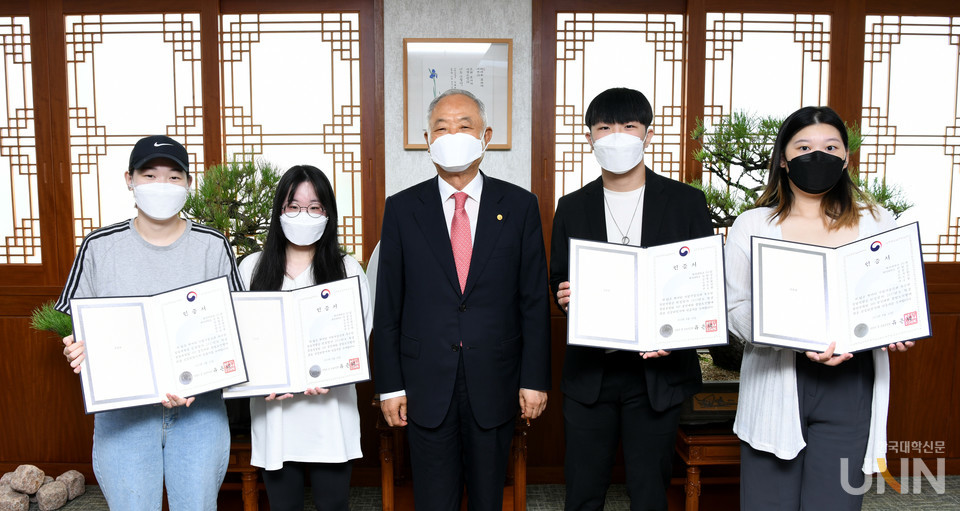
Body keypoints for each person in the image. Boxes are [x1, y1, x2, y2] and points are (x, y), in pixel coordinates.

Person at [725, 106, 913, 510]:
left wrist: (897, 324)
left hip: (851, 379)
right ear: (784, 159)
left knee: (835, 503)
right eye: (804, 146)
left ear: (846, 157)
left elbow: (894, 292)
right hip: (775, 379)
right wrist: (784, 334)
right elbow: (735, 306)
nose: (819, 155)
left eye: (831, 146)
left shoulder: (875, 221)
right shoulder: (752, 224)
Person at [373, 88, 551, 511]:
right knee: (434, 500)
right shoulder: (401, 208)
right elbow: (388, 305)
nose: (453, 134)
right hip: (424, 383)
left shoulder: (521, 206)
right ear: (427, 138)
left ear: (486, 135)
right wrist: (390, 386)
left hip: (495, 380)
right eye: (441, 127)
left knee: (489, 498)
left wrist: (535, 378)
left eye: (464, 125)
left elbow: (532, 302)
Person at [56, 135, 243, 510]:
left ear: (189, 184)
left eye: (175, 177)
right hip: (123, 417)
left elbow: (237, 326)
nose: (163, 185)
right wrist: (74, 343)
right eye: (150, 174)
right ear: (130, 180)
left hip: (199, 413)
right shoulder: (99, 246)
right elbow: (71, 319)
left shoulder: (213, 245)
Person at [550, 87, 712, 511]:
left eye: (628, 126)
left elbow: (703, 285)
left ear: (648, 134)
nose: (616, 136)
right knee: (583, 492)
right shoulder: (571, 206)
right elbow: (558, 278)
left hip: (657, 374)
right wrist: (564, 294)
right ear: (589, 138)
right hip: (591, 373)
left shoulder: (686, 202)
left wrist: (676, 335)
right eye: (605, 127)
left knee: (649, 492)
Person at [237, 165, 370, 511]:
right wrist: (256, 379)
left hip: (331, 415)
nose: (303, 215)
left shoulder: (347, 269)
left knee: (333, 505)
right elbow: (239, 340)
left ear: (327, 214)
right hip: (274, 416)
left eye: (314, 207)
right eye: (293, 206)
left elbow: (363, 335)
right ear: (279, 211)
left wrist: (334, 373)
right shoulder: (251, 268)